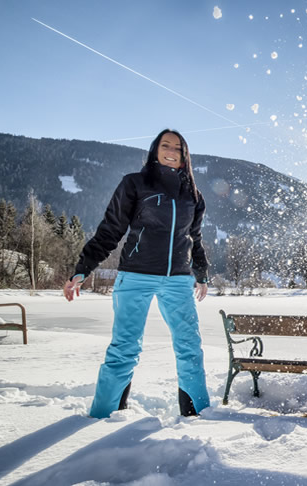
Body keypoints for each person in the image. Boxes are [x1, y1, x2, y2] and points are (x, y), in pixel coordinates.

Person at [64, 129, 211, 419]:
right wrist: (83, 269)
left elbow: (194, 237)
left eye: (178, 148)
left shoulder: (193, 195)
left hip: (178, 280)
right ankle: (104, 414)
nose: (171, 151)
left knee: (190, 347)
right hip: (135, 276)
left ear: (185, 156)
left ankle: (198, 415)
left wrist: (201, 273)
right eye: (165, 145)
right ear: (155, 150)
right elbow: (111, 229)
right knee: (124, 348)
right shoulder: (135, 183)